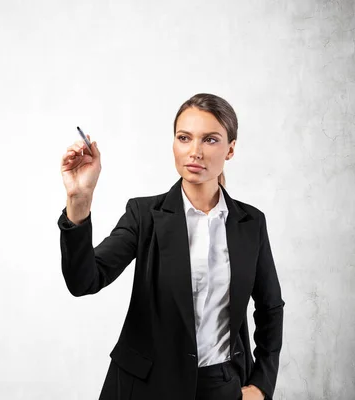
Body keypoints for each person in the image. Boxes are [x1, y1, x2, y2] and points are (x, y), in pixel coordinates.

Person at [57, 93, 284, 400]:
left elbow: (270, 309)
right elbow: (84, 281)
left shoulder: (251, 223)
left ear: (230, 149)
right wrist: (79, 200)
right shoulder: (144, 215)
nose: (195, 152)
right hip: (145, 387)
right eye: (184, 138)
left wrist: (261, 384)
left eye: (210, 140)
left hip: (220, 386)